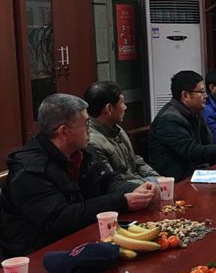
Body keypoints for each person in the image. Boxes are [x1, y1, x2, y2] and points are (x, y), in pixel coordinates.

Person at [0, 94, 155, 257]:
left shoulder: (82, 151)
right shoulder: (29, 170)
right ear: (64, 131)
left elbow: (108, 180)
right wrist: (122, 201)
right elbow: (61, 218)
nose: (90, 129)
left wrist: (134, 190)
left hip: (82, 237)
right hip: (38, 255)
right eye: (86, 124)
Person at [148, 70, 216, 181]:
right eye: (201, 92)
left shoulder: (195, 111)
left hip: (199, 172)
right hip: (178, 180)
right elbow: (193, 152)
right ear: (185, 95)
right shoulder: (169, 119)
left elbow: (209, 143)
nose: (206, 96)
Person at [84, 81, 159, 186]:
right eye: (122, 103)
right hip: (128, 191)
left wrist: (156, 178)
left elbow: (135, 160)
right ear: (109, 109)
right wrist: (151, 183)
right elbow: (113, 183)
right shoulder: (93, 143)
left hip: (142, 185)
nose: (125, 107)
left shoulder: (116, 128)